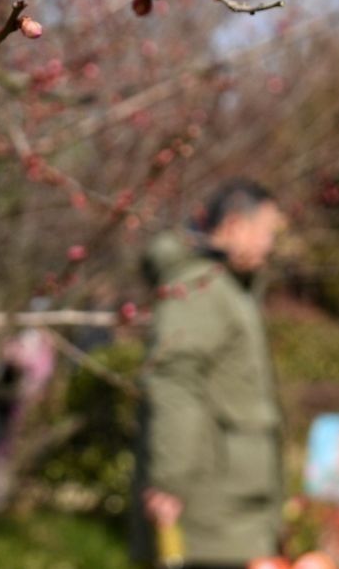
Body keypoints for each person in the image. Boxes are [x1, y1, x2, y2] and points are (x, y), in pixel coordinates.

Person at [133, 179, 289, 569]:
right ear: (235, 225)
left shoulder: (229, 289)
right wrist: (169, 482)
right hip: (209, 509)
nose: (270, 244)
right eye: (266, 231)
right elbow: (176, 383)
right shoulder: (199, 288)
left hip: (233, 507)